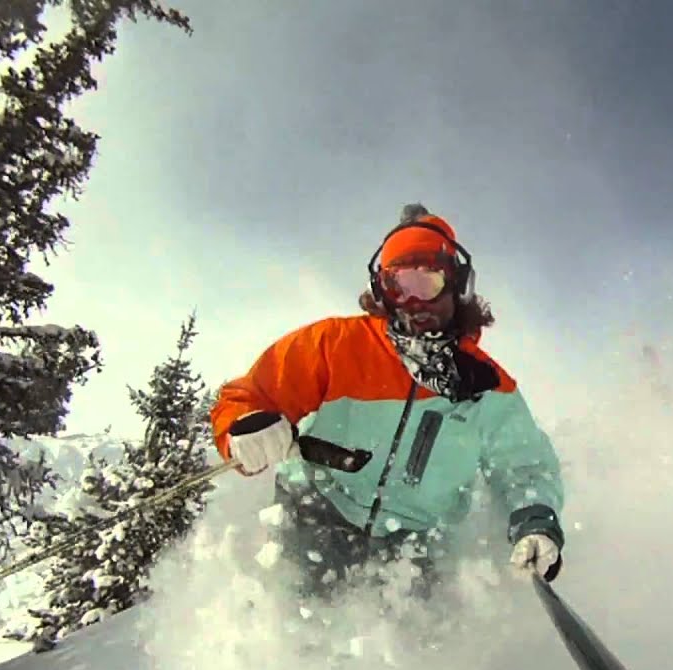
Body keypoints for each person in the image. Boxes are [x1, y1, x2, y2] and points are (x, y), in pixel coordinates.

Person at [209, 203, 566, 603]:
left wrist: (534, 520)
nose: (414, 302)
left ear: (457, 284)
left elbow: (523, 467)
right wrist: (245, 426)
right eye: (399, 286)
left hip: (417, 543)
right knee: (298, 630)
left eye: (426, 283)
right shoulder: (336, 345)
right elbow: (248, 395)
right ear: (382, 290)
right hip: (318, 512)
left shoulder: (487, 386)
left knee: (415, 651)